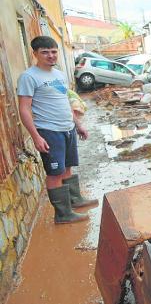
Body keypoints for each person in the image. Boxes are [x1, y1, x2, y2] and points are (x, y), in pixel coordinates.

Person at [17, 36, 97, 225]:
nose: (51, 56)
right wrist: (35, 136)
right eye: (45, 52)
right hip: (49, 131)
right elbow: (24, 108)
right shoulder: (29, 77)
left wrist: (78, 125)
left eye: (53, 51)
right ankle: (62, 214)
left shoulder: (59, 75)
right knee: (55, 173)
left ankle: (75, 201)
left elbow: (65, 103)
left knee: (67, 166)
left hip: (67, 129)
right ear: (35, 53)